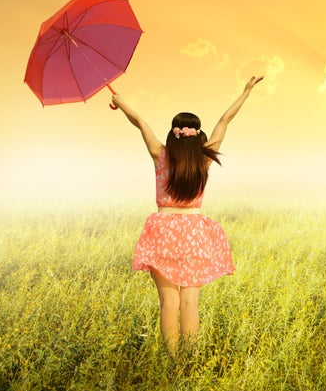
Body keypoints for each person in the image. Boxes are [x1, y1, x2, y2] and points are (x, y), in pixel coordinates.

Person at [110, 76, 263, 356]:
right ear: (197, 135)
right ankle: (190, 360)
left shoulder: (160, 154)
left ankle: (172, 360)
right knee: (190, 303)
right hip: (194, 232)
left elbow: (140, 122)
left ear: (174, 133)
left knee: (169, 303)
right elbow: (225, 120)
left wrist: (121, 104)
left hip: (162, 231)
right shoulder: (204, 158)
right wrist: (246, 92)